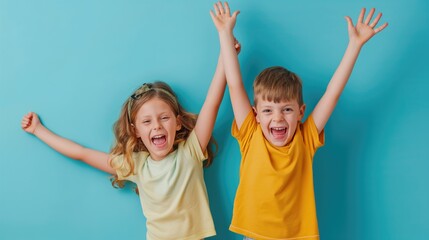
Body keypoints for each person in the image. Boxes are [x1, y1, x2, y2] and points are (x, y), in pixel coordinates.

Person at [21, 40, 241, 239]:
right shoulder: (136, 165)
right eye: (147, 122)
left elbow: (212, 103)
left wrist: (226, 55)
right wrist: (39, 130)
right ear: (136, 131)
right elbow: (81, 153)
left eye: (164, 118)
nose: (156, 125)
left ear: (178, 122)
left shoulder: (191, 151)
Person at [210, 2, 388, 240]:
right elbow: (234, 85)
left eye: (286, 109)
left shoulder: (306, 138)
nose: (277, 118)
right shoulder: (250, 133)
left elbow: (332, 94)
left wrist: (355, 46)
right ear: (255, 114)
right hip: (255, 234)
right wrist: (225, 34)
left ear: (301, 112)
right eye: (268, 111)